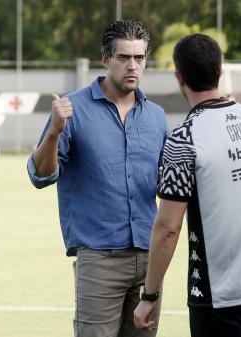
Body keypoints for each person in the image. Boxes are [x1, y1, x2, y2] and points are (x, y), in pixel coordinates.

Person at [133, 33, 241, 337]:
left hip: (215, 295)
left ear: (179, 78)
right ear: (220, 70)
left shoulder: (183, 140)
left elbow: (168, 227)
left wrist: (149, 295)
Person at [27, 19, 168, 337]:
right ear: (105, 60)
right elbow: (40, 176)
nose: (133, 66)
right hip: (99, 258)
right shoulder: (72, 109)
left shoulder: (156, 116)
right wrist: (53, 132)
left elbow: (165, 182)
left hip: (150, 258)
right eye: (124, 57)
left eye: (139, 58)